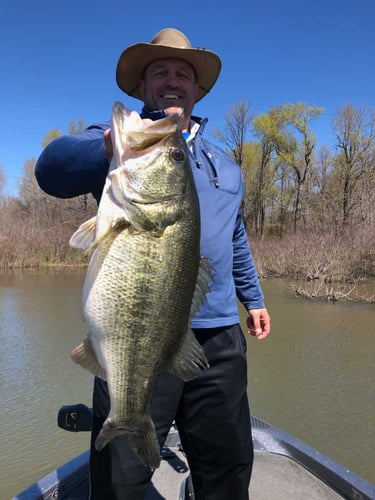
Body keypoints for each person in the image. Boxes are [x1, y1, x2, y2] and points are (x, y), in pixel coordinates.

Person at [35, 28, 271, 500]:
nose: (171, 80)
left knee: (228, 470)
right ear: (142, 88)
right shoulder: (119, 144)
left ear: (196, 89)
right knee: (120, 481)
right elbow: (50, 169)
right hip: (137, 335)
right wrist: (104, 150)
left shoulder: (227, 165)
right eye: (158, 72)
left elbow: (236, 236)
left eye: (182, 73)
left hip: (219, 337)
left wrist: (255, 298)